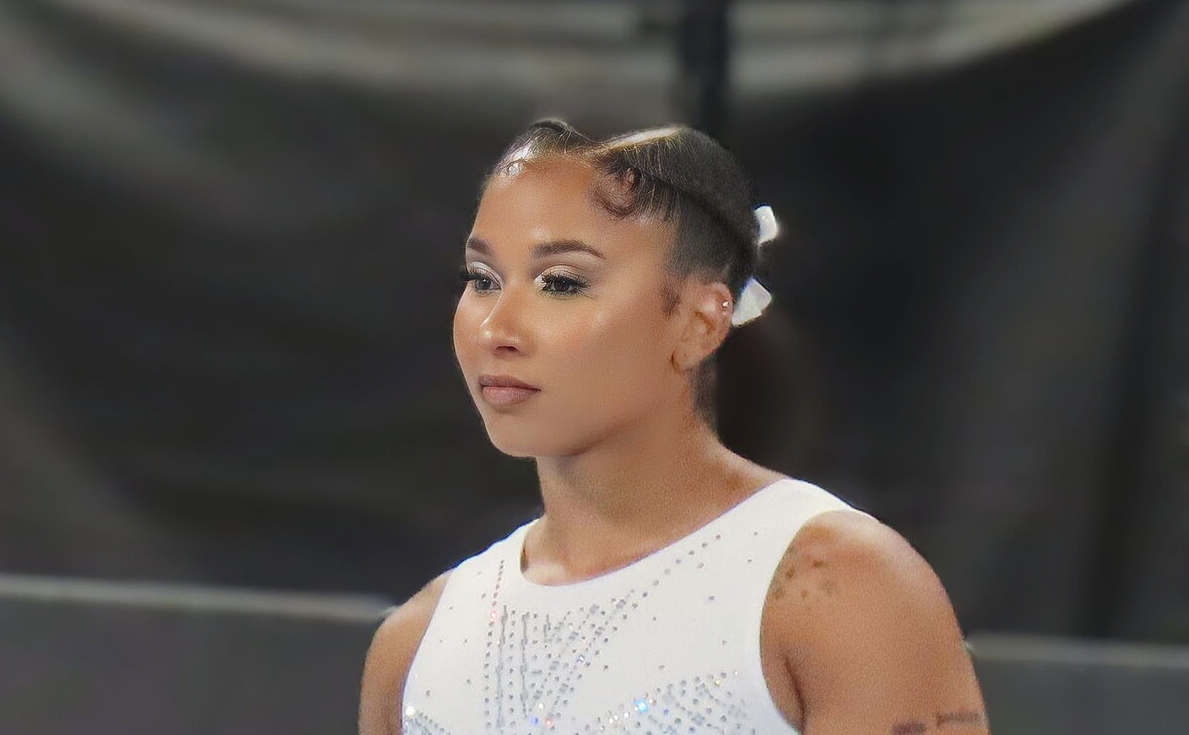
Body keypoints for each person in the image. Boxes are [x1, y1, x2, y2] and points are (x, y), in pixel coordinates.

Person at [359, 120, 989, 735]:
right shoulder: (418, 642)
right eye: (482, 280)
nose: (497, 329)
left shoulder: (837, 589)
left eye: (562, 283)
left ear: (699, 321)